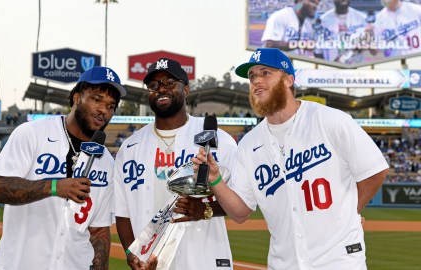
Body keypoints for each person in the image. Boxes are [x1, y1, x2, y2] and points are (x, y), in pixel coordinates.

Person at [191, 48, 389, 269]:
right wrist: (215, 179)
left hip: (338, 260)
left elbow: (375, 170)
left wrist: (350, 213)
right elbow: (240, 212)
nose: (256, 81)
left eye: (265, 73)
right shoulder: (248, 144)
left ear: (288, 80)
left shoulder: (329, 120)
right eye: (252, 76)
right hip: (284, 263)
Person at [0, 66, 127, 270]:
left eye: (110, 105)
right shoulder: (32, 133)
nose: (103, 110)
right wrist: (54, 187)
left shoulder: (106, 160)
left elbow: (99, 231)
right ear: (77, 98)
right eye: (96, 99)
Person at [114, 58, 238, 269]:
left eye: (169, 82)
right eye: (153, 85)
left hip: (204, 258)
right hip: (152, 262)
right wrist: (130, 252)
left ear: (186, 89)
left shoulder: (218, 140)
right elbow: (122, 212)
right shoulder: (130, 148)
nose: (161, 88)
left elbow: (240, 203)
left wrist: (204, 209)